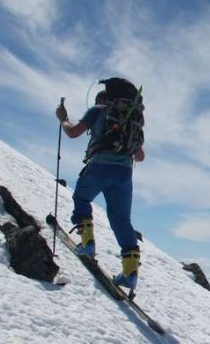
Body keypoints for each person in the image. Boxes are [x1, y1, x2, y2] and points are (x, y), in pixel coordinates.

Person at [55, 78, 145, 290]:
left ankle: (87, 244)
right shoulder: (133, 118)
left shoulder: (97, 110)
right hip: (124, 174)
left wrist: (63, 118)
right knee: (121, 219)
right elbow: (140, 156)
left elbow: (73, 132)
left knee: (82, 198)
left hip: (99, 168)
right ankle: (130, 273)